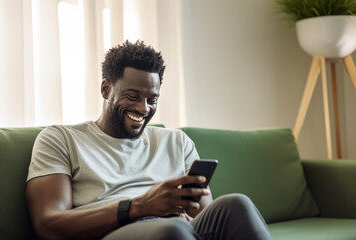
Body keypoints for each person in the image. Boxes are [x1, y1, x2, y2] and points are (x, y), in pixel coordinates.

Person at [26, 40, 272, 240]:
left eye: (152, 100)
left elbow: (205, 215)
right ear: (105, 89)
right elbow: (48, 225)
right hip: (113, 231)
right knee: (173, 231)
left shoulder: (177, 142)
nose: (143, 108)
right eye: (132, 96)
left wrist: (187, 212)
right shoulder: (61, 138)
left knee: (236, 204)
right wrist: (139, 207)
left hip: (178, 229)